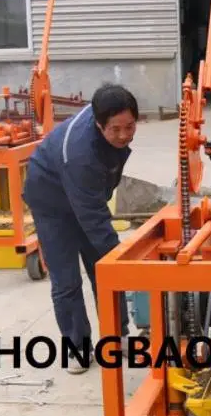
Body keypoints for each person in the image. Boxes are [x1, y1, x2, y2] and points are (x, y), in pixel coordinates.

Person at [23, 83, 137, 373]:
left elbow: (94, 203)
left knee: (103, 268)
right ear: (99, 125)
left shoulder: (107, 117)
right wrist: (126, 261)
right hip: (51, 203)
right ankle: (78, 349)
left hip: (85, 195)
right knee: (67, 279)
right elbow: (94, 219)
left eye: (130, 127)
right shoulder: (80, 154)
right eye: (116, 129)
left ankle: (117, 337)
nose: (124, 135)